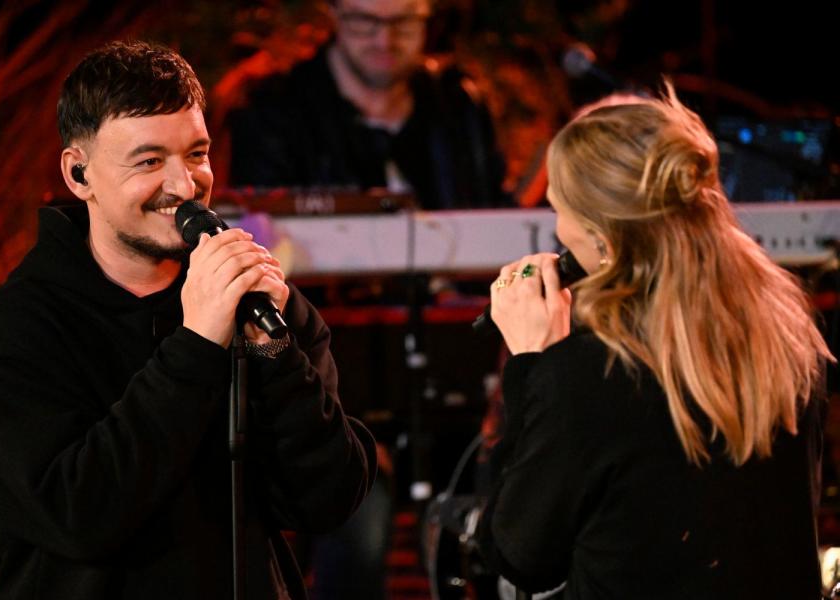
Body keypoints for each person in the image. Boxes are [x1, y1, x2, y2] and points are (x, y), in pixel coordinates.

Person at [0, 40, 376, 599]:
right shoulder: (14, 327)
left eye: (197, 154)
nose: (184, 186)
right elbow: (78, 516)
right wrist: (198, 343)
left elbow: (326, 500)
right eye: (149, 161)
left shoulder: (262, 298)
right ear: (79, 174)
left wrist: (275, 354)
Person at [477, 84, 835, 599]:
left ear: (601, 237)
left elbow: (518, 556)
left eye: (559, 209)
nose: (557, 232)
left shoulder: (584, 373)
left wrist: (530, 364)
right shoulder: (788, 337)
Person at [221, 0, 511, 209]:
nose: (385, 40)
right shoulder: (272, 113)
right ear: (334, 14)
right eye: (364, 22)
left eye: (404, 22)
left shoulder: (460, 107)